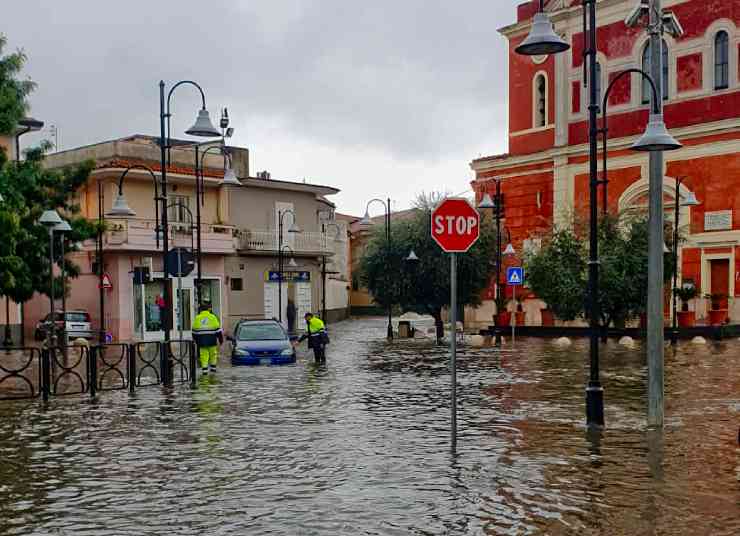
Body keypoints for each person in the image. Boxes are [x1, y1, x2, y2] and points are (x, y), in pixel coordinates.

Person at [191, 301, 223, 375]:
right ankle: (213, 370)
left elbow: (194, 332)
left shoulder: (197, 318)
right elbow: (218, 331)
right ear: (208, 309)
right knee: (213, 355)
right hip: (212, 341)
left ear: (201, 310)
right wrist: (221, 340)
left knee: (204, 356)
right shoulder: (213, 317)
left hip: (202, 342)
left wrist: (196, 341)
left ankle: (204, 371)